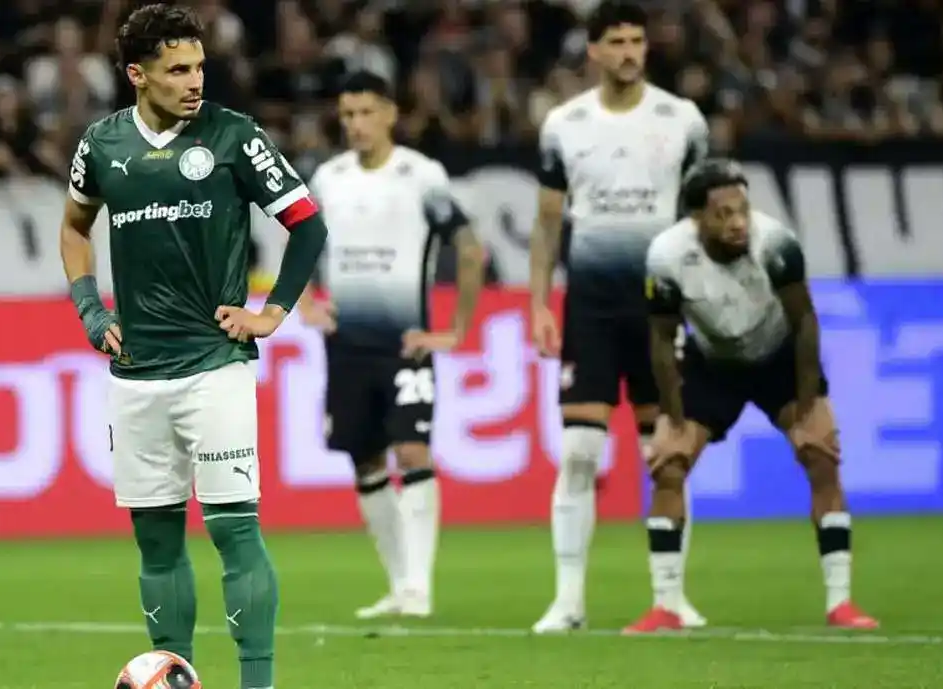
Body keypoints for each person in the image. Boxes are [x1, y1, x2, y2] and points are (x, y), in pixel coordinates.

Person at [57, 5, 328, 688]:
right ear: (137, 74)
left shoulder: (234, 136)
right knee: (156, 541)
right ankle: (179, 675)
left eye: (199, 66)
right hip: (137, 373)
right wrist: (89, 305)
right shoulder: (103, 145)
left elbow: (307, 225)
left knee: (235, 530)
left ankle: (257, 684)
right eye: (178, 69)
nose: (194, 80)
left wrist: (272, 312)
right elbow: (73, 227)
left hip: (215, 367)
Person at [626, 158, 879, 633]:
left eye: (742, 209)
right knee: (668, 463)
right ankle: (665, 606)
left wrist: (806, 401)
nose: (738, 222)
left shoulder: (776, 243)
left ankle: (841, 603)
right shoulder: (665, 256)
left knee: (821, 454)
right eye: (723, 213)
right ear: (696, 217)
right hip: (712, 362)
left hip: (777, 356)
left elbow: (805, 320)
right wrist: (673, 412)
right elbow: (661, 337)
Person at [528, 0, 709, 632]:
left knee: (667, 454)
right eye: (617, 41)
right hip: (593, 308)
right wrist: (538, 304)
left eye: (637, 40)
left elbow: (702, 219)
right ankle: (569, 600)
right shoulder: (564, 124)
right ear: (595, 51)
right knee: (579, 451)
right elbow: (548, 222)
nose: (629, 51)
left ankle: (671, 595)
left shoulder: (682, 120)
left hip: (661, 309)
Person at [298, 71, 484, 619]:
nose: (354, 124)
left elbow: (470, 250)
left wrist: (455, 330)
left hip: (406, 344)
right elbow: (300, 242)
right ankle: (401, 584)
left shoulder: (422, 176)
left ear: (390, 114)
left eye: (364, 112)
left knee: (413, 451)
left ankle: (419, 589)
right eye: (347, 114)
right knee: (365, 461)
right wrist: (306, 300)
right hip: (347, 345)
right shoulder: (328, 179)